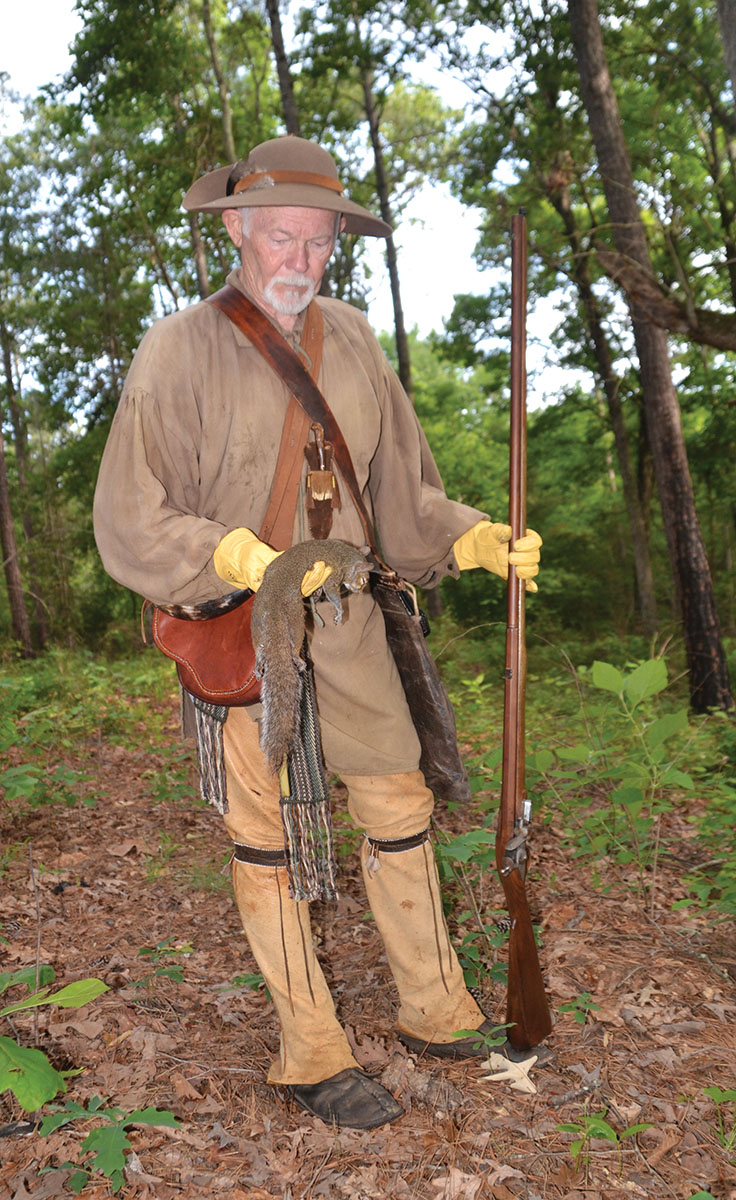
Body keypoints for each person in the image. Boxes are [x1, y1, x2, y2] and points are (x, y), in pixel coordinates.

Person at [93, 135, 542, 1130]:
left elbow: (403, 494)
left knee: (397, 801)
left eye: (315, 239)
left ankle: (433, 1005)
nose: (296, 258)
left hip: (350, 619)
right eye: (277, 236)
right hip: (249, 625)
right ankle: (310, 1051)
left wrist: (472, 540)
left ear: (336, 240)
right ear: (238, 231)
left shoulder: (353, 340)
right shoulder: (179, 348)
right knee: (270, 838)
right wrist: (235, 558)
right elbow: (130, 513)